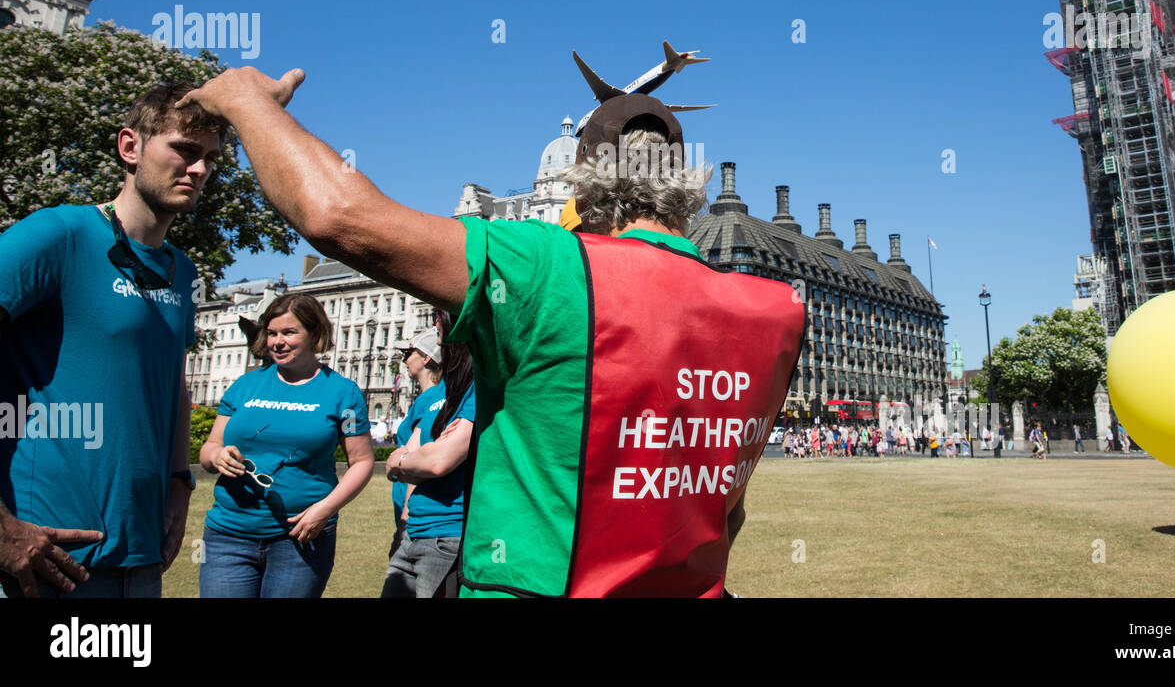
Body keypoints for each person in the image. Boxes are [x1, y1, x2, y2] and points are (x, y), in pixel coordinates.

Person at [181, 64, 806, 598]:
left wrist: (244, 100)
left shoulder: (548, 265)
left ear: (581, 189)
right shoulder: (775, 310)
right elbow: (728, 504)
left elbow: (339, 217)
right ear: (685, 186)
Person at [0, 83, 225, 598]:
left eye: (210, 159)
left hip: (140, 559)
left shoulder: (183, 272)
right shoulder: (59, 234)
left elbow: (172, 386)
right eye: (185, 151)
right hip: (44, 559)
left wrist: (178, 485)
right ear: (130, 147)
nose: (199, 170)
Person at [198, 293, 373, 597]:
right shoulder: (244, 385)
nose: (277, 342)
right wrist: (217, 455)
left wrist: (325, 509)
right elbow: (209, 447)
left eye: (289, 332)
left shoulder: (343, 393)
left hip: (302, 538)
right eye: (272, 333)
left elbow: (362, 462)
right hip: (228, 535)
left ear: (315, 334)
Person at [382, 312, 476, 598]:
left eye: (439, 315)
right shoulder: (437, 394)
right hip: (413, 532)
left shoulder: (477, 387)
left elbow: (437, 462)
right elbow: (395, 462)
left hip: (449, 535)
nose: (434, 321)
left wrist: (406, 460)